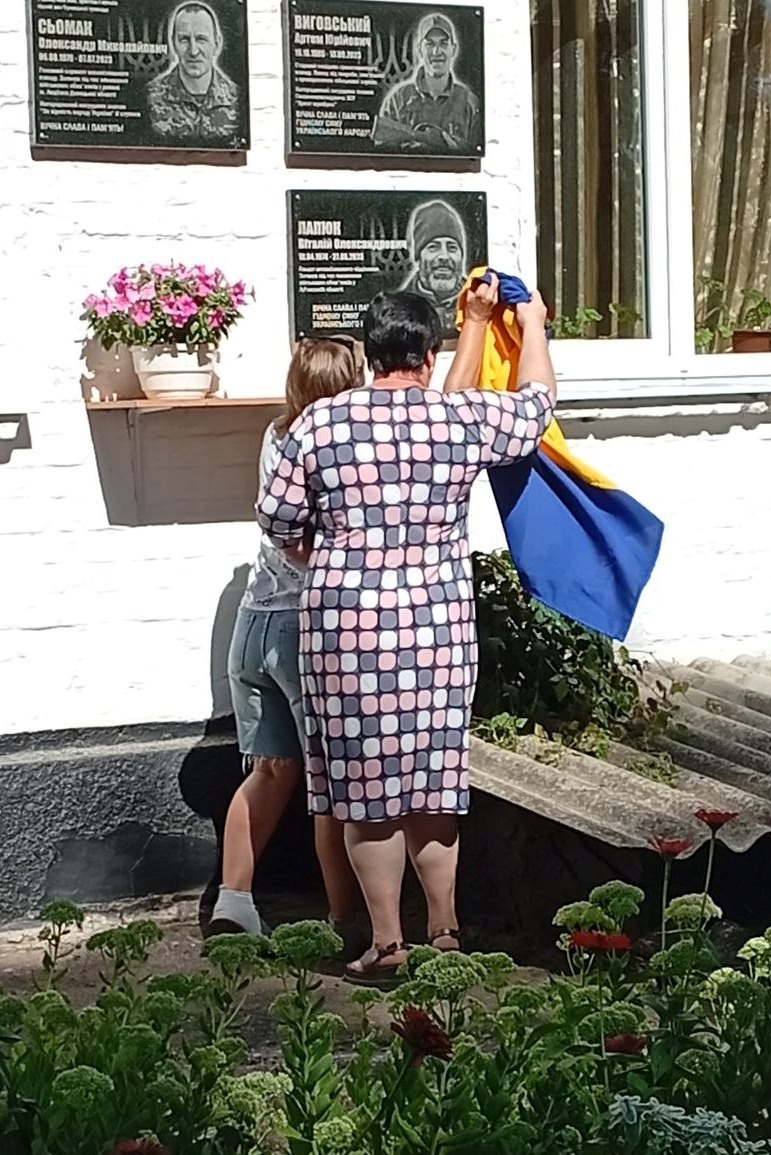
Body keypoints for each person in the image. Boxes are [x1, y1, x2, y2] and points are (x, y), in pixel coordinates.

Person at [256, 276, 557, 985]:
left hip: (346, 630)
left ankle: (388, 942)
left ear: (368, 353)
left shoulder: (320, 424)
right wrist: (533, 324)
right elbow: (538, 405)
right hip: (436, 627)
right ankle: (444, 929)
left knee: (366, 791)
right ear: (428, 355)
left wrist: (321, 553)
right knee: (433, 781)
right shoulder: (459, 418)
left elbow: (278, 519)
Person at [206, 337, 366, 950]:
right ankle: (345, 920)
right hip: (305, 628)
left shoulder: (277, 436)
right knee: (329, 783)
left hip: (253, 624)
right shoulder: (334, 447)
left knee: (271, 770)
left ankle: (234, 900)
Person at [372, 12, 481, 154]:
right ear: (419, 50)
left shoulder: (470, 103)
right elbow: (383, 152)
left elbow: (475, 152)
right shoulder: (397, 100)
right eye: (430, 44)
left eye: (444, 43)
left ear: (453, 49)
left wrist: (445, 144)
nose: (437, 51)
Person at [147, 1, 240, 144]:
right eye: (184, 39)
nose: (193, 51)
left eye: (201, 39)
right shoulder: (150, 98)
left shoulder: (237, 100)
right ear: (173, 43)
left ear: (217, 43)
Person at [401, 199, 467, 335]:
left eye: (452, 247)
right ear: (418, 256)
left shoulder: (479, 300)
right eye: (433, 247)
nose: (444, 256)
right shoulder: (399, 307)